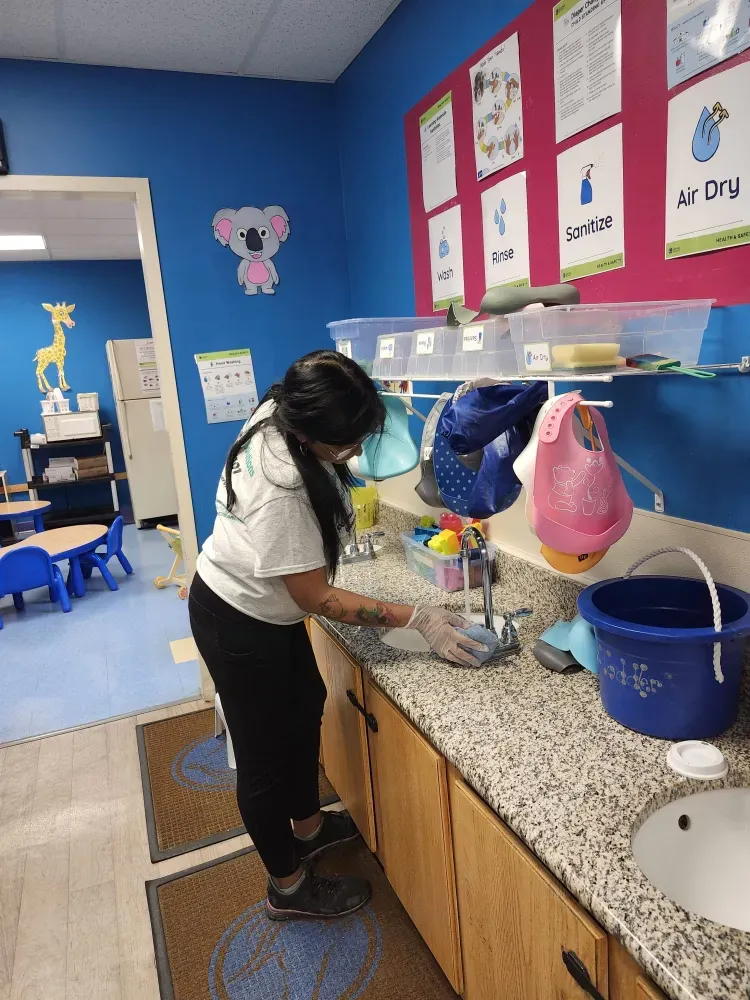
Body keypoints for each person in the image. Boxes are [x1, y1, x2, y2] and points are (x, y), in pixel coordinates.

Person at [189, 350, 482, 922]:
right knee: (262, 758)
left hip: (267, 613)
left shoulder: (285, 403)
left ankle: (309, 827)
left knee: (306, 706)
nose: (352, 453)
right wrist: (417, 616)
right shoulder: (281, 491)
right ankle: (289, 887)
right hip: (236, 618)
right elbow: (317, 598)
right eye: (346, 444)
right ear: (311, 433)